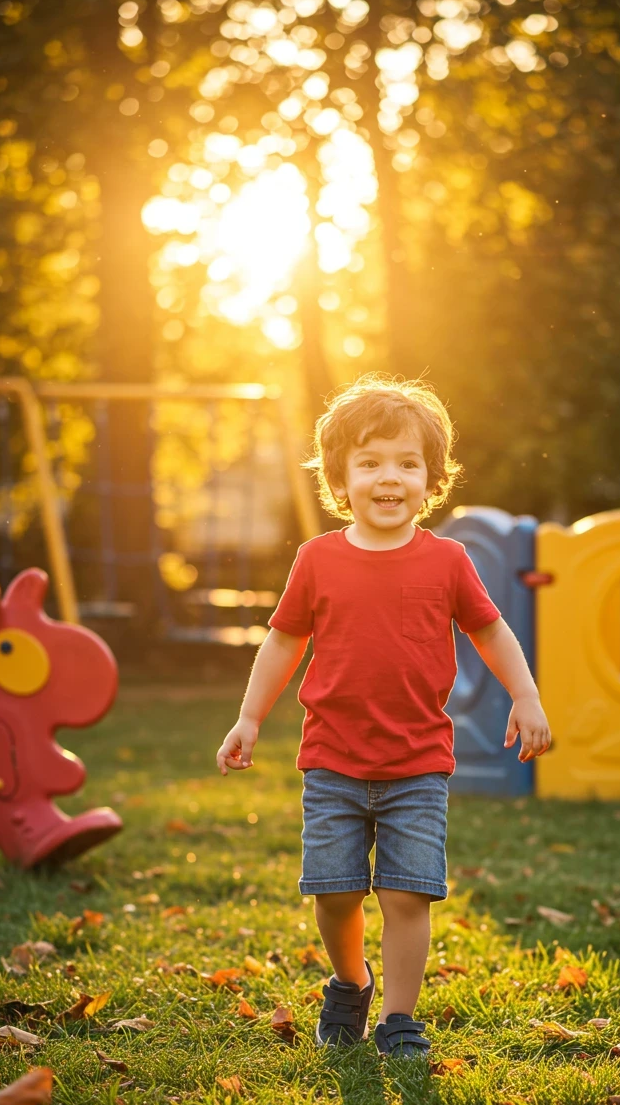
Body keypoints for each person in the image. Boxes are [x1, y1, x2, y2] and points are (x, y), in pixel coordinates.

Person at [216, 374, 551, 1059]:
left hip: (417, 765)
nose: (388, 477)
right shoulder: (317, 560)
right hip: (333, 760)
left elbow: (490, 632)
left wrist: (527, 695)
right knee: (335, 895)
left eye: (406, 463)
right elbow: (284, 639)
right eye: (369, 463)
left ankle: (400, 1018)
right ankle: (350, 980)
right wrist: (250, 718)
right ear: (341, 479)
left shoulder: (448, 562)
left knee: (407, 897)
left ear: (432, 480)